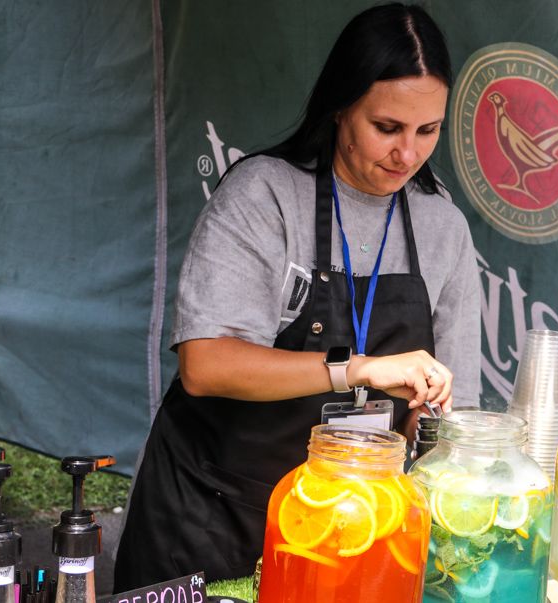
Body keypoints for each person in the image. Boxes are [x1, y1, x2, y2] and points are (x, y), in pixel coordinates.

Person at [112, 3, 479, 591]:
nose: (407, 154)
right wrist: (358, 369)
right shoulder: (265, 195)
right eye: (387, 128)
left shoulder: (444, 229)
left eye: (427, 131)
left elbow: (450, 414)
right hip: (215, 516)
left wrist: (427, 417)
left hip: (350, 533)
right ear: (341, 107)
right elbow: (206, 364)